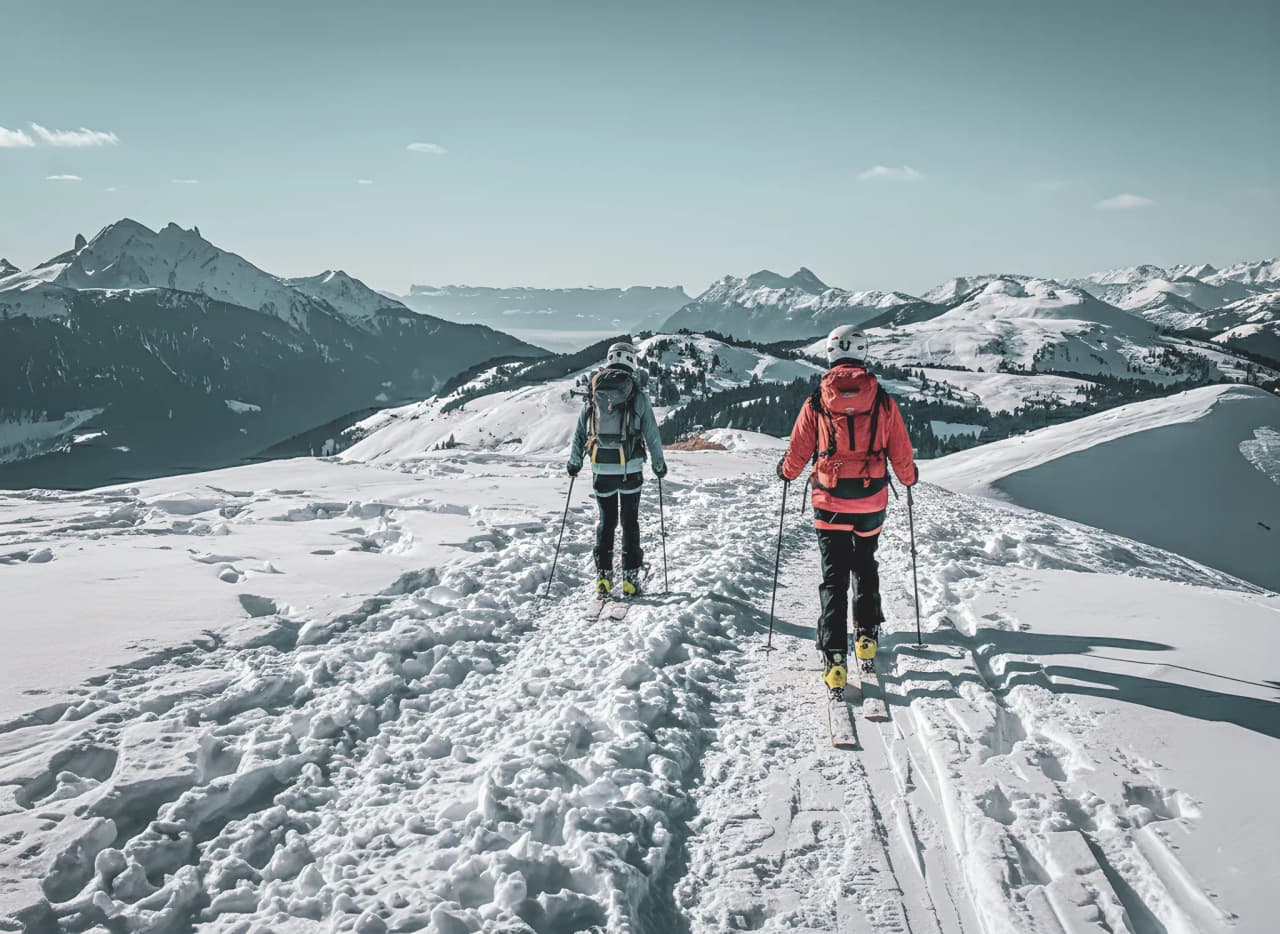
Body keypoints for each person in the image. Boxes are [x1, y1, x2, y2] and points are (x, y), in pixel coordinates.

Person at [776, 326, 918, 692]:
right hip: (871, 500)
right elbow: (900, 450)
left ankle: (835, 656)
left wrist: (786, 472)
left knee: (833, 577)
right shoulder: (882, 400)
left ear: (830, 354)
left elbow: (798, 452)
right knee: (865, 564)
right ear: (863, 353)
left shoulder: (817, 400)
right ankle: (866, 636)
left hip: (829, 502)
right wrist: (908, 478)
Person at [567, 341, 667, 596]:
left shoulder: (594, 392)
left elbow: (581, 431)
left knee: (606, 522)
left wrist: (575, 462)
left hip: (601, 467)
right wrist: (658, 464)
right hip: (630, 469)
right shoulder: (637, 394)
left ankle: (603, 577)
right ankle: (630, 578)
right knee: (629, 521)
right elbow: (652, 434)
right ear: (631, 362)